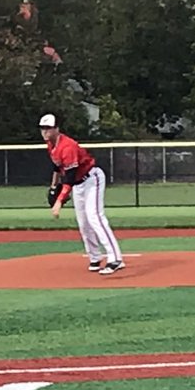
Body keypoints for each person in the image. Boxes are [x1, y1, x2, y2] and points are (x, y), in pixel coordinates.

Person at [41, 113, 124, 275]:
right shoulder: (51, 145)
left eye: (48, 128)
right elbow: (57, 167)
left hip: (92, 179)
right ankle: (95, 257)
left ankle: (115, 258)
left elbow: (70, 177)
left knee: (95, 217)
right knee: (83, 223)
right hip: (78, 184)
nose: (45, 132)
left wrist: (59, 201)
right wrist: (53, 187)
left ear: (57, 129)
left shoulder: (68, 146)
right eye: (43, 128)